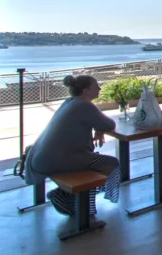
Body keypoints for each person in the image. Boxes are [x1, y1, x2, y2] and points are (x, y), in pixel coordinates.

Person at [23, 75, 120, 217]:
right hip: (59, 160)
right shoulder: (85, 105)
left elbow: (99, 122)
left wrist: (98, 128)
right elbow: (109, 124)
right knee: (111, 163)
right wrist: (100, 127)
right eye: (96, 86)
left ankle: (70, 197)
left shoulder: (70, 102)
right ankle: (75, 204)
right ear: (86, 90)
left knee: (95, 164)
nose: (99, 88)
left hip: (40, 158)